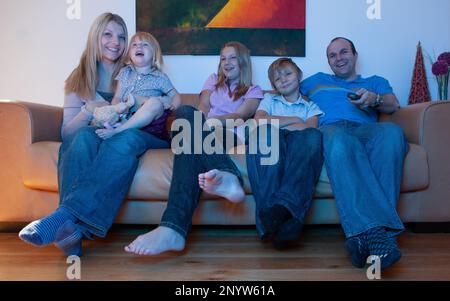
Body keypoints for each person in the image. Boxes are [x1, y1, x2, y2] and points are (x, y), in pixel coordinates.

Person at [18, 13, 171, 256]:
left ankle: (63, 216)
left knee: (124, 138)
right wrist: (88, 111)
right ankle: (71, 233)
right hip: (100, 132)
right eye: (107, 34)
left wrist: (137, 101)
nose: (116, 42)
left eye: (122, 37)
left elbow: (168, 100)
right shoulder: (78, 78)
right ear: (95, 37)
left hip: (143, 133)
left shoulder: (134, 70)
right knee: (82, 137)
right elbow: (67, 132)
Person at [124, 41, 264, 255]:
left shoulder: (254, 90)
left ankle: (173, 228)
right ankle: (228, 176)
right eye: (223, 58)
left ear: (243, 61)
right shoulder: (212, 81)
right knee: (186, 115)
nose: (226, 62)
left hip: (228, 133)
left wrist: (206, 125)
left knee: (188, 132)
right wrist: (198, 125)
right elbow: (203, 108)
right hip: (201, 129)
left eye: (232, 57)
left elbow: (239, 116)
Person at [300, 37, 409, 270]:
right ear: (327, 61)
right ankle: (381, 238)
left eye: (343, 52)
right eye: (332, 55)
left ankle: (365, 239)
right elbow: (284, 89)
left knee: (391, 133)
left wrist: (375, 99)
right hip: (332, 128)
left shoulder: (375, 82)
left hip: (367, 130)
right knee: (339, 141)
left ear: (355, 55)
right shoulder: (314, 82)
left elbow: (392, 104)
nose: (338, 58)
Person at [246, 58, 324, 249]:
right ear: (273, 85)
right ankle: (285, 225)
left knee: (312, 137)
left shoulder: (310, 106)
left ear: (299, 76)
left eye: (288, 74)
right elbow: (260, 121)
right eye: (277, 79)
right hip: (272, 139)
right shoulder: (269, 99)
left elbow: (309, 130)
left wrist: (286, 122)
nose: (284, 80)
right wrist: (295, 120)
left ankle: (279, 217)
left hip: (300, 145)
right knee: (268, 136)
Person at [95, 31, 181, 141]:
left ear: (154, 54)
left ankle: (118, 131)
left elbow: (175, 96)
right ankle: (118, 127)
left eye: (145, 44)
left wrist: (172, 105)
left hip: (149, 122)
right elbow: (117, 96)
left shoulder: (160, 77)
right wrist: (118, 107)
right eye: (134, 45)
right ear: (129, 54)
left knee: (155, 103)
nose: (139, 47)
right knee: (105, 113)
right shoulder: (125, 72)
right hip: (126, 116)